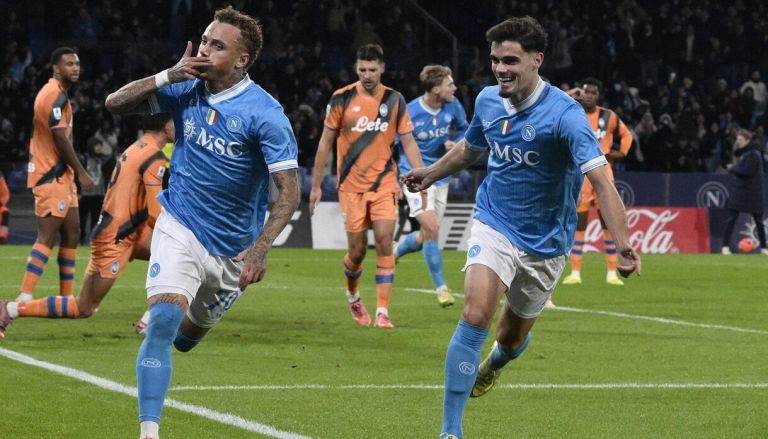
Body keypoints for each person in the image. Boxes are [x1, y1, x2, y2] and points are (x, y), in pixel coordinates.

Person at [401, 17, 641, 439]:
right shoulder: (487, 100)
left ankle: (495, 363)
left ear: (536, 60)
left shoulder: (566, 116)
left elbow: (602, 182)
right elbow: (470, 149)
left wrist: (622, 245)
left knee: (510, 339)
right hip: (495, 221)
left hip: (547, 241)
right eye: (495, 60)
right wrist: (431, 173)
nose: (500, 68)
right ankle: (450, 431)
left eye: (510, 60)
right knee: (475, 313)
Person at [102, 7, 299, 439]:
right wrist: (166, 76)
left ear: (242, 59)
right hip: (181, 223)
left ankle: (185, 314)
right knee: (162, 324)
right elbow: (115, 104)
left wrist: (261, 248)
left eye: (217, 45)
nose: (205, 50)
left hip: (233, 250)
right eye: (205, 40)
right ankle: (149, 432)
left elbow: (289, 192)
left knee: (186, 340)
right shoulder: (185, 86)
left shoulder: (266, 114)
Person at [0, 114, 172, 337]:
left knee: (176, 255)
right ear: (166, 125)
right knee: (84, 307)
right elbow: (155, 213)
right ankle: (11, 309)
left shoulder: (137, 147)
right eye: (176, 121)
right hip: (117, 237)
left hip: (124, 231)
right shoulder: (154, 157)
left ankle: (151, 319)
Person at [309, 44, 425, 329]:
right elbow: (325, 143)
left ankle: (383, 311)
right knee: (358, 252)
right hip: (351, 187)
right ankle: (353, 296)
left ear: (382, 68)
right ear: (356, 69)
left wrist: (422, 177)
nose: (367, 75)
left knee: (385, 241)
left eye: (372, 70)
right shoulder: (341, 98)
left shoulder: (395, 100)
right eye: (362, 69)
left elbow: (408, 142)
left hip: (384, 183)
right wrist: (316, 185)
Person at [16, 47, 95, 304]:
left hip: (62, 176)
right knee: (47, 236)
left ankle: (66, 297)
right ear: (56, 68)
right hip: (50, 175)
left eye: (77, 63)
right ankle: (25, 296)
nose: (75, 68)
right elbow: (60, 137)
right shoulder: (54, 95)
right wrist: (82, 172)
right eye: (69, 64)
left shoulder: (56, 93)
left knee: (73, 232)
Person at [393, 64, 468, 307]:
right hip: (415, 177)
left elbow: (465, 129)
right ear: (436, 89)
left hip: (441, 176)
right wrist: (392, 178)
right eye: (449, 84)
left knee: (427, 234)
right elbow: (392, 145)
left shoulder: (453, 105)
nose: (454, 88)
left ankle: (395, 252)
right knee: (432, 228)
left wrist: (455, 142)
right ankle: (441, 288)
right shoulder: (411, 111)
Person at [559, 77, 633, 290]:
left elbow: (626, 135)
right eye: (586, 92)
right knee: (579, 222)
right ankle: (575, 272)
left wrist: (621, 153)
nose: (589, 96)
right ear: (580, 93)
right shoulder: (573, 113)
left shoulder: (609, 116)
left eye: (593, 92)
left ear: (598, 95)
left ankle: (612, 272)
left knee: (607, 222)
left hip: (603, 173)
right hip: (581, 174)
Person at [721, 129, 767, 255]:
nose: (738, 142)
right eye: (737, 139)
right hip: (741, 192)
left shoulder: (754, 154)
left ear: (747, 140)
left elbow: (748, 171)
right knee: (731, 219)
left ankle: (764, 248)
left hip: (752, 193)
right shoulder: (745, 153)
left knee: (758, 222)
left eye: (740, 139)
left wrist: (733, 168)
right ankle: (725, 247)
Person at [0, 173, 9, 243]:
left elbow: (5, 194)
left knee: (5, 211)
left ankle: (2, 237)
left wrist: (1, 203)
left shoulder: (1, 181)